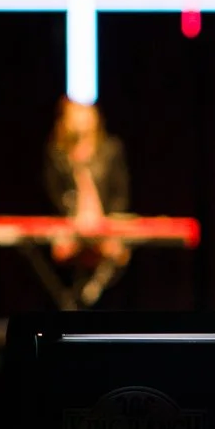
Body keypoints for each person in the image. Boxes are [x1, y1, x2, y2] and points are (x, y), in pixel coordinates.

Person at [41, 97, 136, 307]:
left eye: (85, 112)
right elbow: (53, 196)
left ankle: (92, 296)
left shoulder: (111, 150)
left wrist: (109, 228)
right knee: (60, 251)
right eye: (74, 112)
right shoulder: (57, 155)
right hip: (71, 229)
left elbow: (120, 197)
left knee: (117, 252)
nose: (80, 118)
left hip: (106, 228)